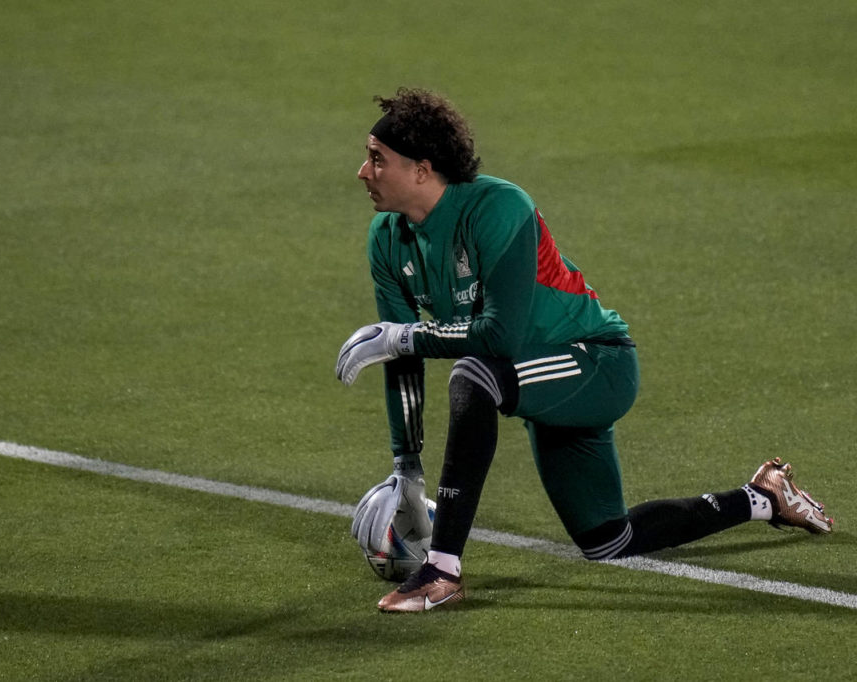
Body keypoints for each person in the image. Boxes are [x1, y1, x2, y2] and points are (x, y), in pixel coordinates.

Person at [335, 87, 833, 613]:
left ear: (421, 170)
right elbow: (399, 360)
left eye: (377, 159)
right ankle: (764, 497)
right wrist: (406, 466)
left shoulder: (498, 207)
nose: (363, 172)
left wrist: (403, 336)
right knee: (607, 541)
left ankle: (442, 571)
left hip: (597, 362)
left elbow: (497, 337)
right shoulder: (387, 237)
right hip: (538, 380)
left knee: (473, 375)